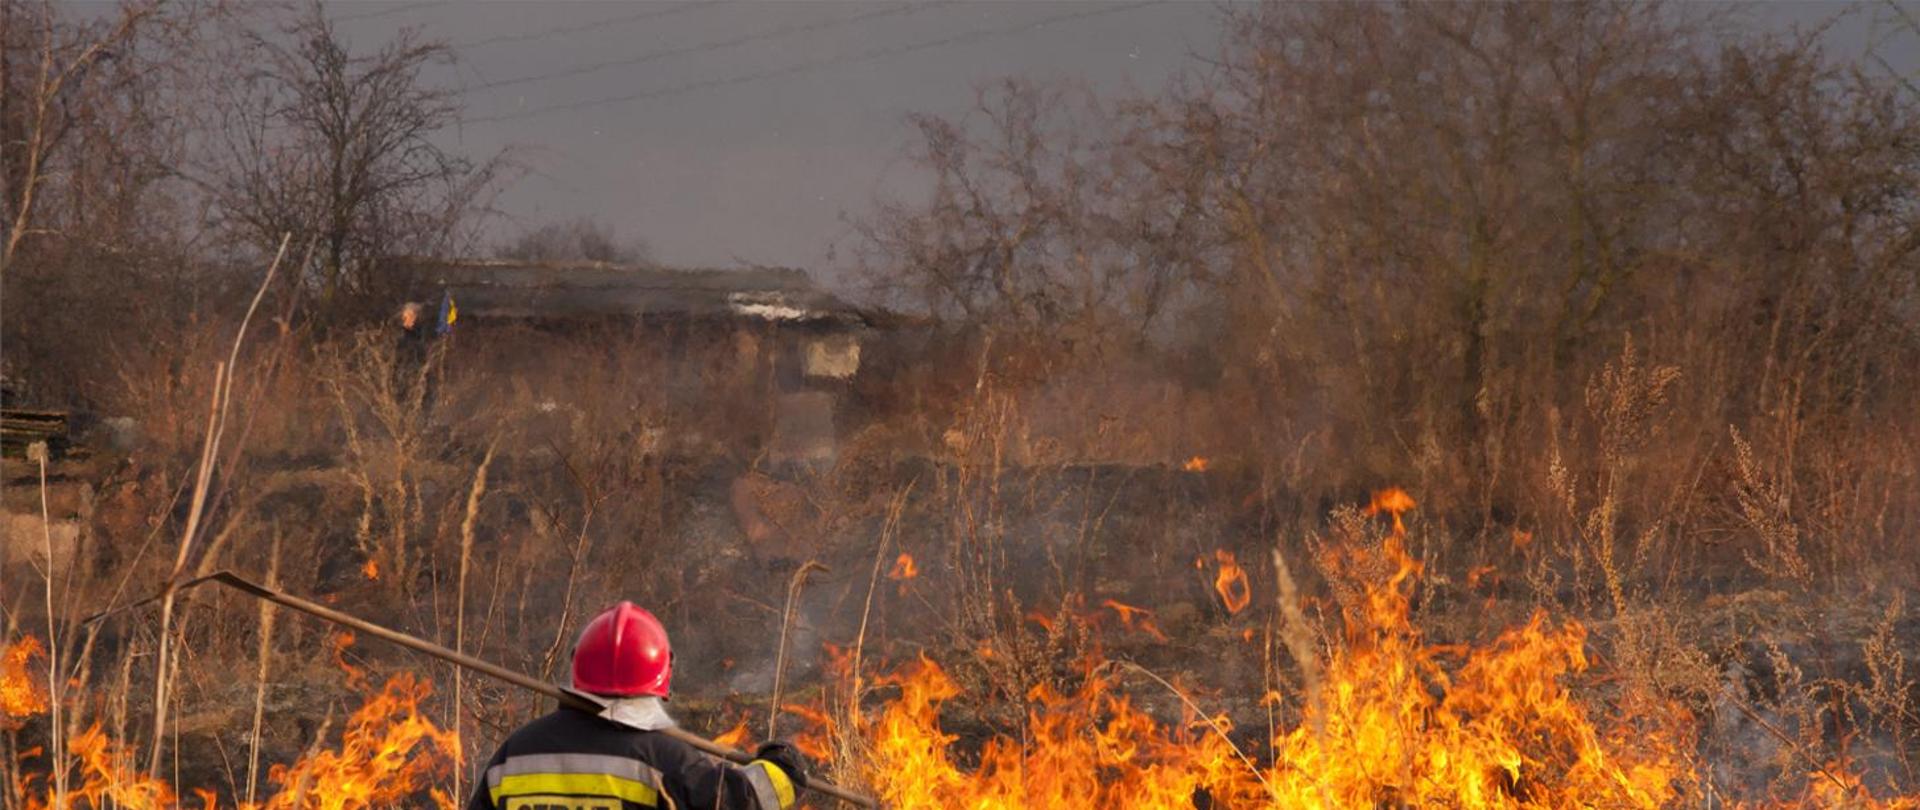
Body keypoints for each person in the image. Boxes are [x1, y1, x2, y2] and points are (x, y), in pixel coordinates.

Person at [467, 602, 809, 810]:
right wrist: (782, 767)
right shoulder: (667, 762)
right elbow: (747, 800)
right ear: (661, 677)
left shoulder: (515, 755)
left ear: (578, 666)